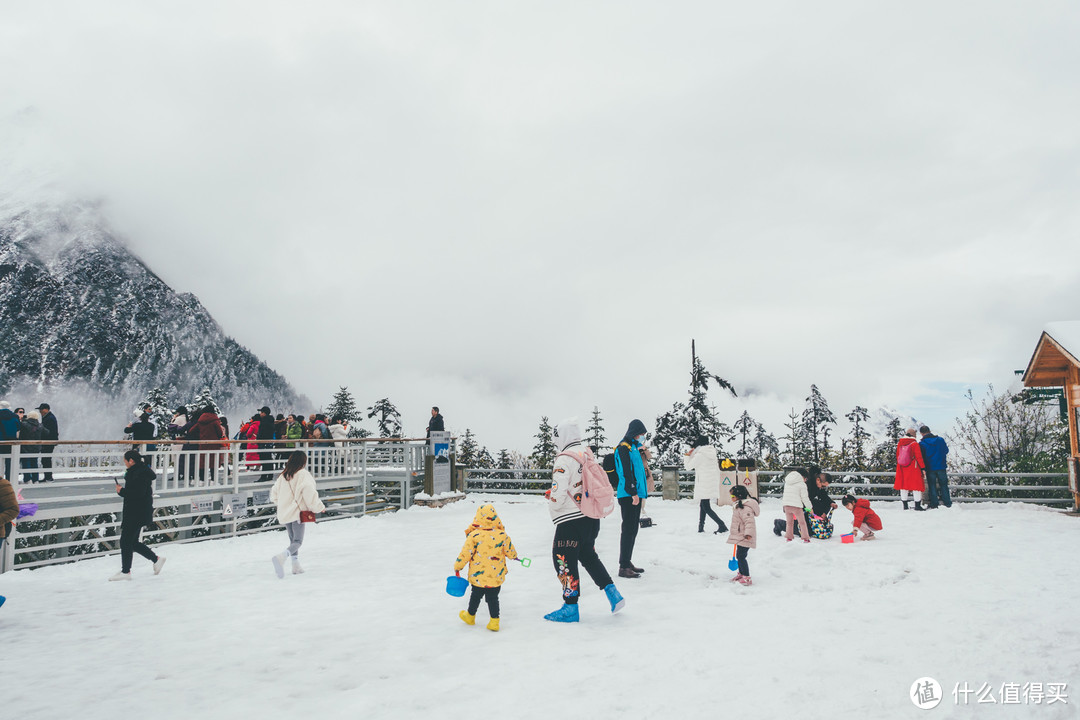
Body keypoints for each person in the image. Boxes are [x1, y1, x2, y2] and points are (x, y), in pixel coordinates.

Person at [543, 420, 624, 623]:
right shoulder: (587, 454)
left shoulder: (564, 459)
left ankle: (570, 607)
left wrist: (552, 501)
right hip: (591, 517)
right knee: (588, 556)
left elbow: (559, 493)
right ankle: (612, 593)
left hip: (570, 521)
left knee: (563, 560)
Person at [454, 503, 517, 632]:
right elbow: (510, 551)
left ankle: (470, 616)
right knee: (493, 598)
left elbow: (466, 553)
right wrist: (514, 556)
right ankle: (494, 621)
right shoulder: (502, 535)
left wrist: (458, 566)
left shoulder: (474, 536)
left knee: (475, 596)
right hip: (495, 576)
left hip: (478, 577)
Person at [269, 450, 326, 578]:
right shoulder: (303, 475)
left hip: (285, 512)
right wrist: (319, 507)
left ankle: (295, 565)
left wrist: (282, 504)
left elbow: (274, 493)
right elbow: (309, 493)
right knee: (298, 541)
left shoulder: (283, 475)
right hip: (297, 513)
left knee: (292, 539)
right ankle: (281, 557)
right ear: (303, 462)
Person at [110, 450, 165, 580]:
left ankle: (125, 572)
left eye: (125, 461)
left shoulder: (137, 474)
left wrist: (121, 491)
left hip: (136, 512)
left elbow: (137, 494)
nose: (125, 463)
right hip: (139, 511)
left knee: (125, 541)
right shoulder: (140, 471)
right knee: (132, 542)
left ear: (131, 461)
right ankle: (156, 560)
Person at [613, 419, 649, 578]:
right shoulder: (623, 448)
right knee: (628, 530)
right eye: (641, 434)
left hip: (636, 494)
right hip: (629, 494)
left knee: (633, 530)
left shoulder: (633, 447)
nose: (642, 437)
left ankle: (627, 562)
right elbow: (626, 472)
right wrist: (633, 492)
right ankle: (623, 566)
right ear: (635, 432)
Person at [683, 435, 728, 534]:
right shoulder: (711, 453)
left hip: (704, 482)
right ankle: (700, 527)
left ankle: (722, 525)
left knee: (706, 506)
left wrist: (687, 456)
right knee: (703, 505)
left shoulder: (700, 455)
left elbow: (688, 467)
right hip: (710, 482)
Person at [727, 485, 759, 586]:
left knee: (741, 556)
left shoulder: (745, 508)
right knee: (739, 555)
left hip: (745, 536)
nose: (731, 497)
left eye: (732, 495)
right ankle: (741, 573)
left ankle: (746, 577)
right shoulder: (739, 505)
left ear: (739, 496)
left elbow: (749, 522)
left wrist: (748, 534)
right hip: (740, 535)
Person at [919, 426, 952, 509]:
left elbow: (921, 457)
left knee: (932, 486)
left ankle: (934, 503)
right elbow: (946, 451)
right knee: (944, 485)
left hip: (930, 468)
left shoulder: (922, 444)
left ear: (921, 434)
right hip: (941, 466)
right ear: (930, 431)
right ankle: (947, 502)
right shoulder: (940, 440)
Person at [895, 428, 927, 510]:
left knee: (903, 487)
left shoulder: (900, 443)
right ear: (913, 435)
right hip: (913, 468)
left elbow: (898, 456)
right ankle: (917, 505)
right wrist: (923, 468)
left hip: (902, 467)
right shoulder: (914, 444)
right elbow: (919, 457)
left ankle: (905, 506)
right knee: (916, 487)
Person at [780, 467, 813, 542]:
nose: (805, 480)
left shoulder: (787, 482)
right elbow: (805, 498)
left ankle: (789, 537)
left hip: (786, 505)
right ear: (803, 477)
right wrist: (810, 508)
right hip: (797, 506)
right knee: (802, 523)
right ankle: (805, 538)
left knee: (789, 522)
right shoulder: (802, 484)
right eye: (806, 479)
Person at [805, 466, 836, 539]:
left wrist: (831, 503)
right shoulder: (808, 485)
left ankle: (819, 521)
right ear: (818, 480)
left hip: (811, 506)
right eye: (823, 486)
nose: (822, 488)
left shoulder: (817, 485)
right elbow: (807, 501)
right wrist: (819, 512)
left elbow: (823, 495)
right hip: (802, 507)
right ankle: (781, 524)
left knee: (826, 504)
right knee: (807, 531)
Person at [19, 409, 43, 483]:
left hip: (25, 446)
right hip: (36, 447)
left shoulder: (24, 424)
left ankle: (27, 479)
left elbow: (21, 435)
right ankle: (35, 479)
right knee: (34, 463)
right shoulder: (40, 425)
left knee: (26, 462)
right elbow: (47, 432)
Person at [37, 403, 58, 482]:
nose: (40, 411)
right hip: (48, 442)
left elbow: (49, 431)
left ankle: (48, 477)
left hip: (48, 442)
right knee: (46, 459)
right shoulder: (48, 417)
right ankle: (48, 477)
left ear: (46, 409)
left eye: (41, 409)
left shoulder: (49, 418)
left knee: (46, 459)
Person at [0, 401, 19, 481]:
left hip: (1, 442)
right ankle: (9, 480)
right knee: (9, 463)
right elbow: (18, 430)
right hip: (11, 442)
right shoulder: (15, 416)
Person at [256, 406, 276, 482]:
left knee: (264, 459)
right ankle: (269, 475)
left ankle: (264, 476)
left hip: (263, 443)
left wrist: (258, 439)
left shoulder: (265, 421)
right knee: (268, 458)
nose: (260, 414)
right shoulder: (270, 421)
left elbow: (262, 432)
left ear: (264, 413)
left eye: (261, 412)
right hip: (268, 443)